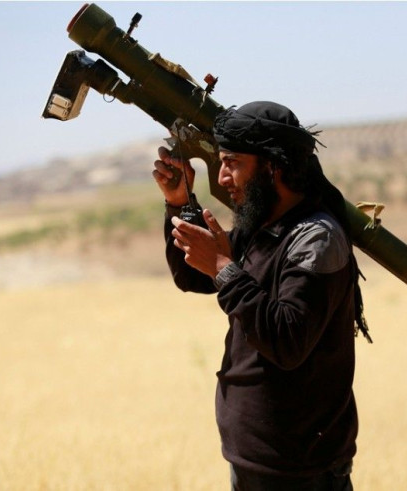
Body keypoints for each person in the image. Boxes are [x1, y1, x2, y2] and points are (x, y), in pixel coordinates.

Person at [152, 101, 370, 490]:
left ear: (273, 166)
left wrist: (223, 267)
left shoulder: (315, 238)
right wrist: (180, 202)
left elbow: (286, 340)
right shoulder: (260, 227)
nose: (222, 178)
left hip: (301, 473)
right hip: (256, 461)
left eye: (233, 163)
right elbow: (192, 275)